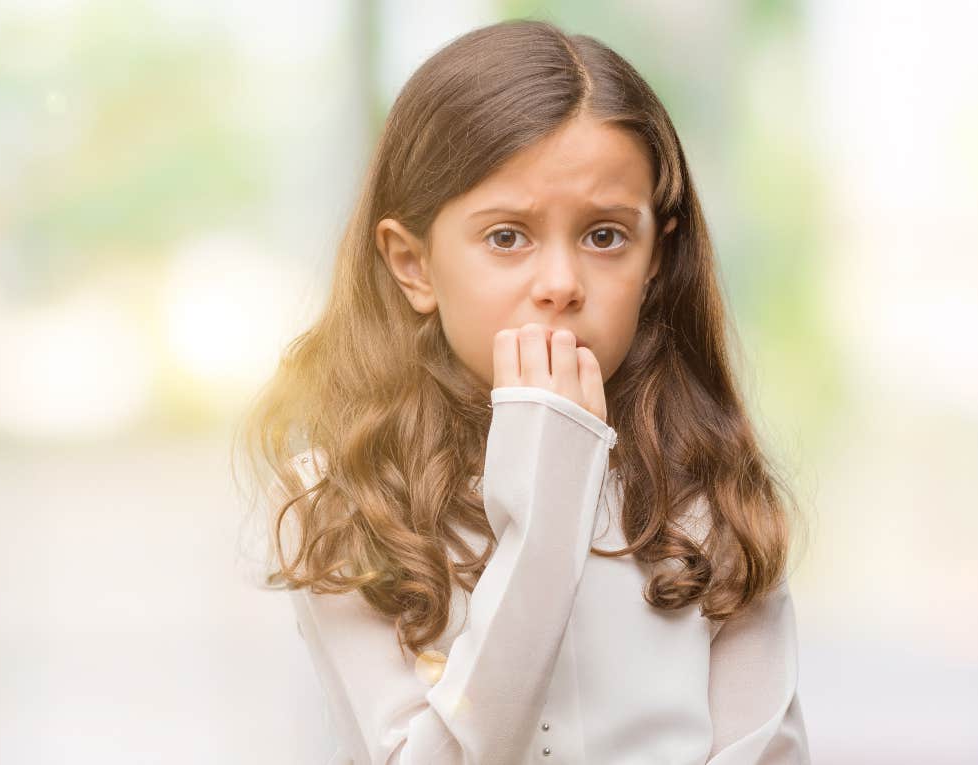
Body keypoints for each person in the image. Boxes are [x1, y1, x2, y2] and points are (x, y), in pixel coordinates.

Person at [233, 18, 812, 765]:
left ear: (657, 258)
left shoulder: (710, 490)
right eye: (507, 237)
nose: (561, 285)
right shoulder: (341, 502)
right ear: (412, 265)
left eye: (605, 236)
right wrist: (544, 514)